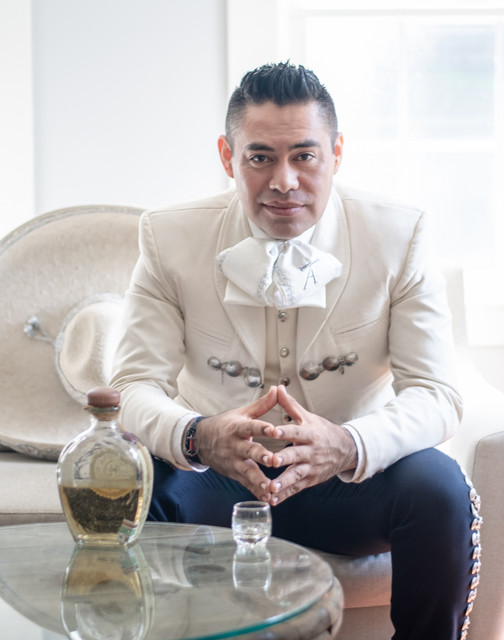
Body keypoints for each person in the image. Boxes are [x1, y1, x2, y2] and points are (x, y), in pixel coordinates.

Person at [111, 61, 481, 639]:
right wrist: (198, 435)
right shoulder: (168, 236)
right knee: (136, 478)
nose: (284, 181)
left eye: (304, 156)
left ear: (337, 152)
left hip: (350, 485)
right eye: (260, 157)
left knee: (438, 488)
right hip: (217, 482)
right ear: (228, 157)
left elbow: (436, 394)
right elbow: (132, 387)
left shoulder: (399, 235)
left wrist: (348, 444)